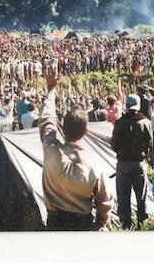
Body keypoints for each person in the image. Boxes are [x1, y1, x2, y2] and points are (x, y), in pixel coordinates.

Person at [38, 67, 113, 231]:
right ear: (85, 131)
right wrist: (99, 224)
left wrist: (51, 90)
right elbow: (105, 200)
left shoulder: (50, 149)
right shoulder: (95, 164)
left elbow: (46, 119)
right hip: (82, 223)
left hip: (55, 223)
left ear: (62, 130)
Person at [111, 94, 153, 229]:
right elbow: (150, 144)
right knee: (141, 195)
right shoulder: (146, 122)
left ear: (127, 106)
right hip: (139, 163)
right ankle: (142, 221)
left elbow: (114, 145)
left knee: (123, 196)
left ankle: (126, 224)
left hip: (123, 163)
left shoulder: (119, 122)